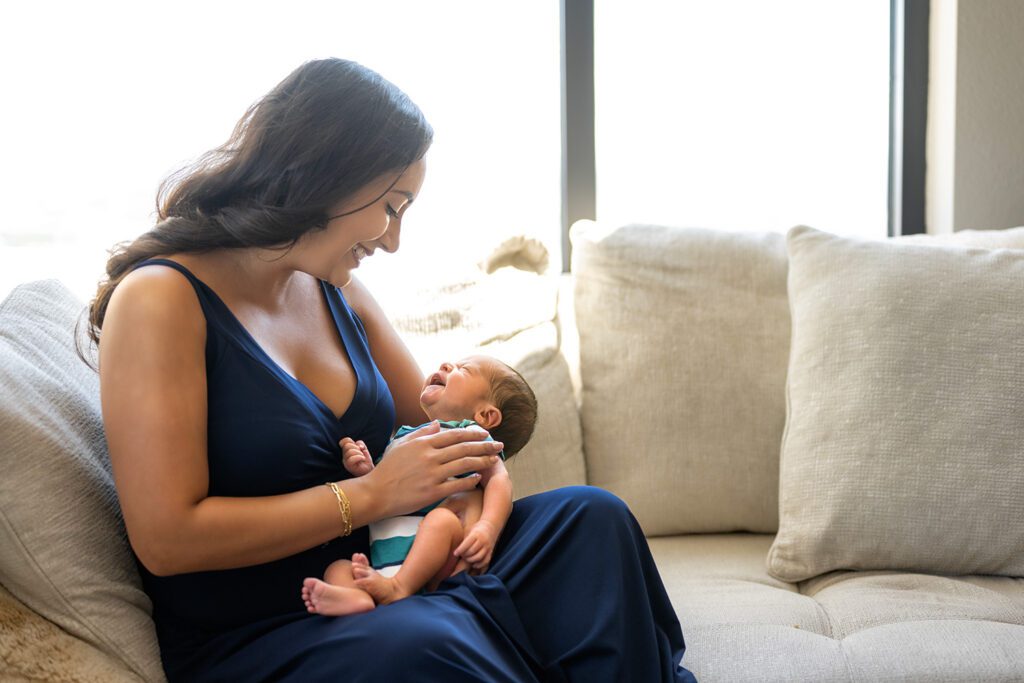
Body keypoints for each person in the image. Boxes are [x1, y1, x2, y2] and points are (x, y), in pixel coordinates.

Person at [82, 57, 698, 682]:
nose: (393, 240)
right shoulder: (161, 298)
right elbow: (166, 539)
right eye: (392, 207)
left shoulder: (337, 289)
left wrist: (471, 514)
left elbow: (443, 432)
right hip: (271, 624)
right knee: (426, 643)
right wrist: (372, 495)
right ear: (329, 176)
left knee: (591, 519)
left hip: (397, 573)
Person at [302, 354, 536, 616]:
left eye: (464, 369)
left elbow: (498, 479)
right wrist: (365, 470)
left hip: (438, 558)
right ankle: (358, 599)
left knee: (441, 521)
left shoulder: (471, 435)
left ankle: (399, 587)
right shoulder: (403, 436)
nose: (446, 364)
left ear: (485, 415)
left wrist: (487, 527)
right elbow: (385, 484)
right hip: (384, 563)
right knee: (338, 568)